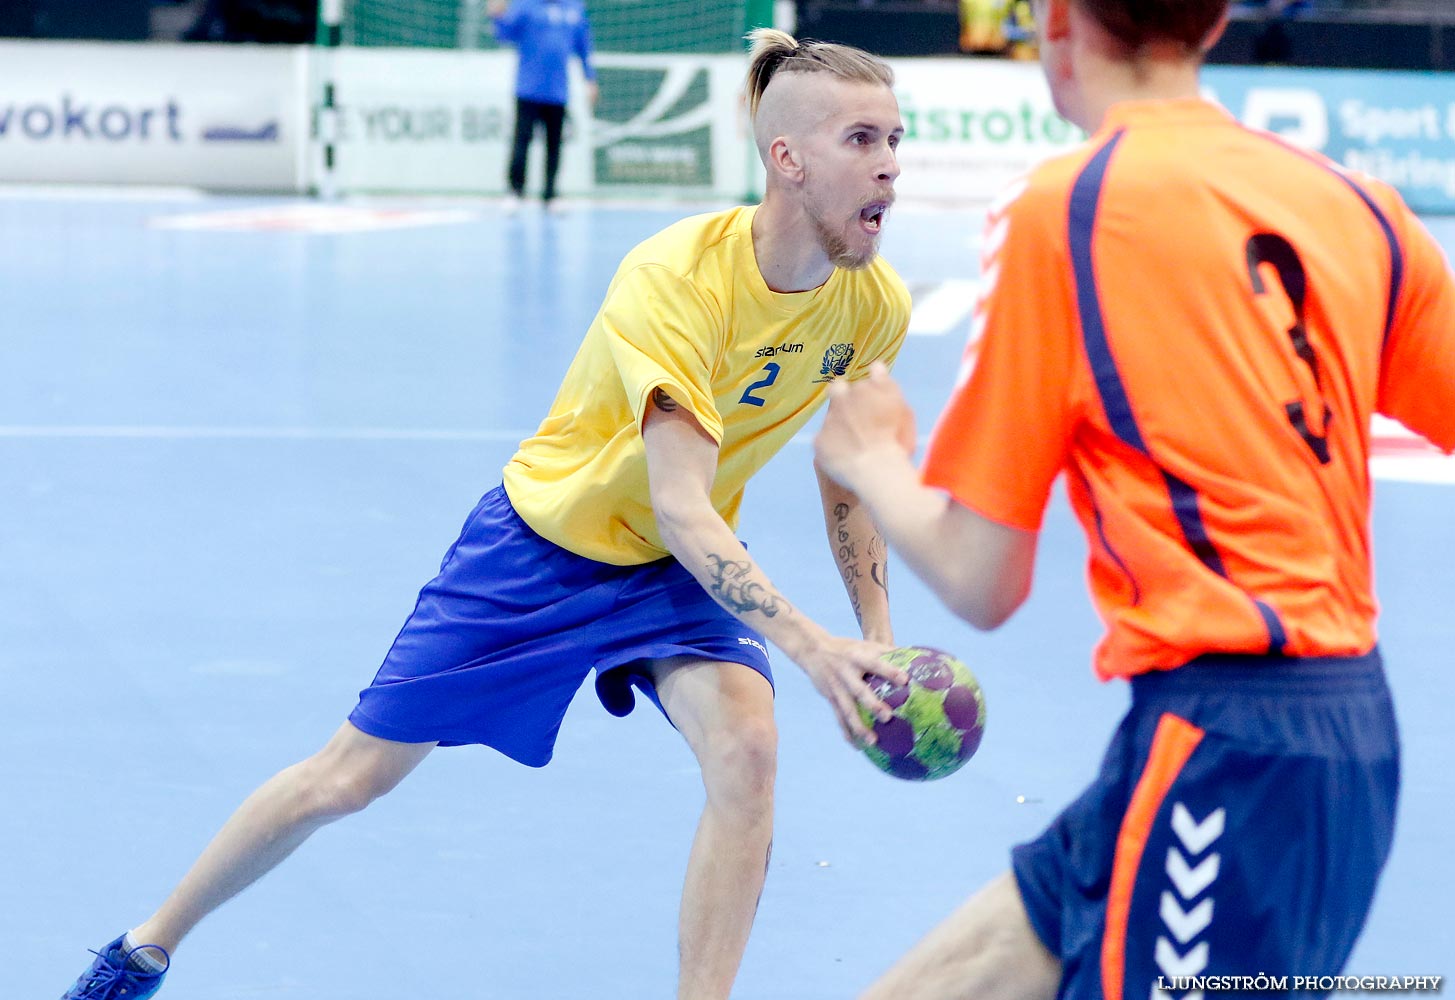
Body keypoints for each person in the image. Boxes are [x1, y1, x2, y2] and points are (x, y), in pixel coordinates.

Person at [60, 27, 912, 1000]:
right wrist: (811, 645)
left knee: (750, 748)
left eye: (896, 140)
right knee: (348, 778)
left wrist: (878, 636)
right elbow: (679, 503)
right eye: (862, 141)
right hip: (545, 550)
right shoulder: (676, 280)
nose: (889, 166)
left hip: (676, 572)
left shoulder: (870, 306)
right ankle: (145, 946)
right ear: (786, 159)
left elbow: (847, 465)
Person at [814, 0, 1455, 997]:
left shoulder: (1067, 207)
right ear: (1213, 24)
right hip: (1333, 739)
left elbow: (983, 578)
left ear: (1056, 22)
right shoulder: (1358, 205)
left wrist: (872, 459)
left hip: (1224, 755)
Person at [487, 0, 598, 212]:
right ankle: (515, 192)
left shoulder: (574, 7)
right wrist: (497, 16)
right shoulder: (525, 5)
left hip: (557, 91)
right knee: (522, 141)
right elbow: (505, 35)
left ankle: (551, 194)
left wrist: (590, 79)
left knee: (554, 145)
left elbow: (583, 45)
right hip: (528, 89)